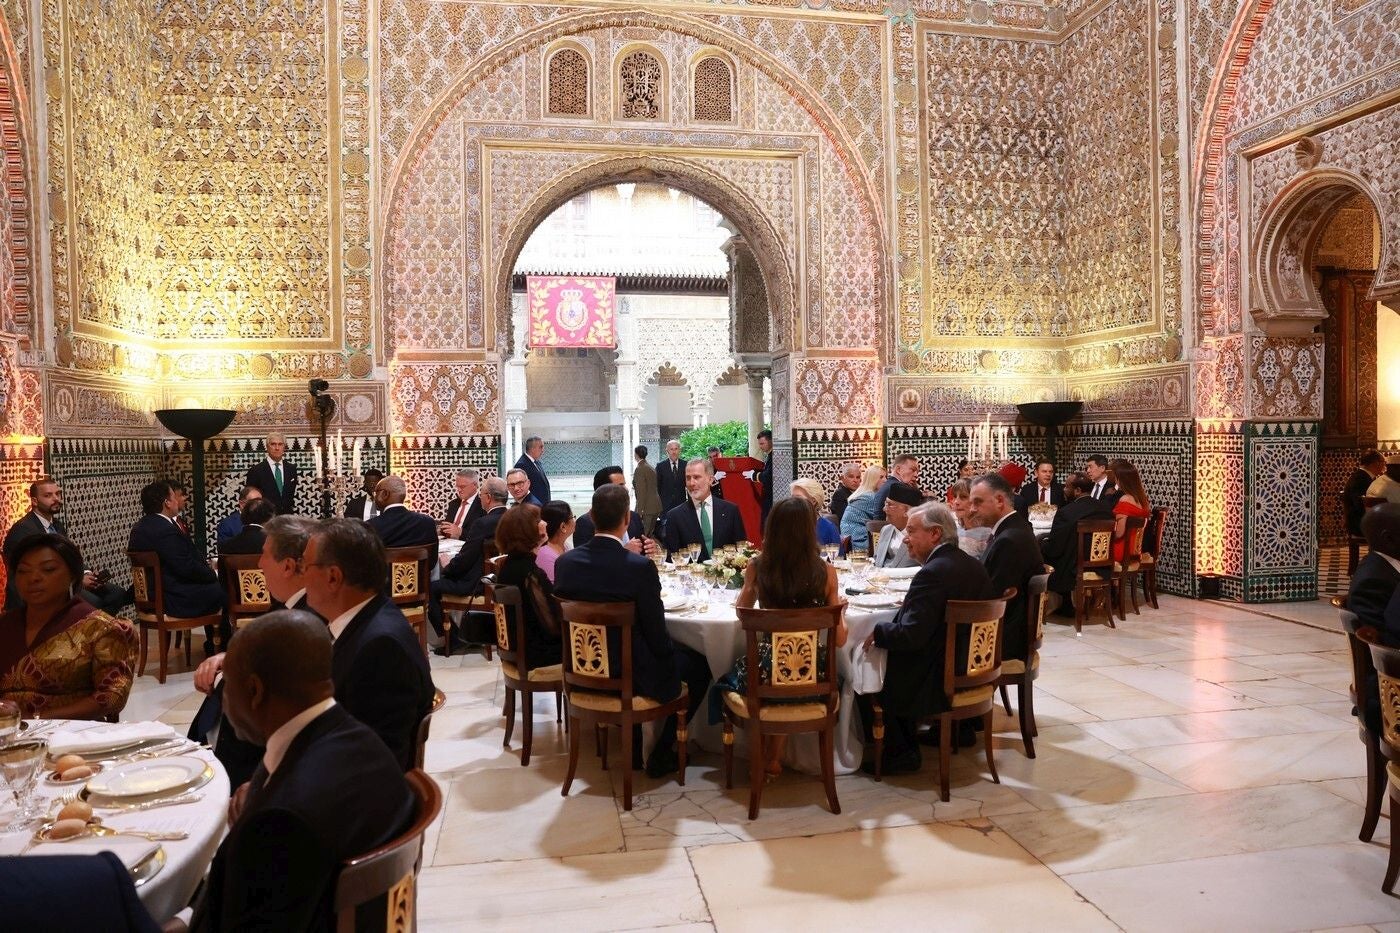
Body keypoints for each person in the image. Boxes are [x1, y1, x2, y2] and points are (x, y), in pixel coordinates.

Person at [188, 610, 415, 932]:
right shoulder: (364, 742)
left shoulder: (279, 820)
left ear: (254, 691)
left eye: (227, 689)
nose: (223, 704)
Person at [554, 483, 712, 778]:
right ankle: (664, 751)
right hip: (632, 676)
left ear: (590, 516)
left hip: (582, 671)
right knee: (699, 665)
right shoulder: (637, 567)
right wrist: (672, 655)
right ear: (627, 519)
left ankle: (641, 740)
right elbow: (656, 634)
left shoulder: (566, 563)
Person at [860, 503, 994, 774]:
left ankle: (900, 752)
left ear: (935, 534)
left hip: (939, 677)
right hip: (973, 667)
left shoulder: (933, 573)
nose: (905, 538)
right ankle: (958, 729)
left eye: (911, 531)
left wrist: (878, 632)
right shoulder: (971, 564)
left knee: (865, 668)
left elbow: (911, 635)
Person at [717, 497, 845, 778]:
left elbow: (743, 614)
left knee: (741, 676)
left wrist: (751, 590)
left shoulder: (758, 567)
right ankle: (772, 758)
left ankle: (762, 755)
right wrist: (841, 612)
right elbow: (839, 641)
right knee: (793, 672)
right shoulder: (826, 572)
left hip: (767, 671)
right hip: (813, 675)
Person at [189, 516, 321, 788]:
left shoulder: (308, 618)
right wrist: (226, 656)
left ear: (286, 566)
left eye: (264, 556)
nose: (259, 565)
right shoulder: (286, 604)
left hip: (249, 768)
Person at [302, 518, 435, 772]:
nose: (301, 574)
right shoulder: (367, 618)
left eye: (305, 565)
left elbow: (374, 764)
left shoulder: (381, 648)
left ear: (333, 577)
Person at [0, 534, 136, 719]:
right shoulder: (6, 625)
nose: (33, 578)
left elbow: (111, 697)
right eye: (23, 571)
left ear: (73, 575)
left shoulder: (102, 628)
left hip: (72, 736)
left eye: (48, 569)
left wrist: (36, 720)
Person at [2, 477, 127, 614]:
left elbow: (69, 556)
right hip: (44, 588)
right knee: (94, 603)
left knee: (117, 594)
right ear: (34, 501)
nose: (56, 499)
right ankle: (83, 632)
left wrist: (86, 573)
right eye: (48, 495)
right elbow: (35, 572)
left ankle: (94, 632)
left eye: (58, 494)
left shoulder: (57, 525)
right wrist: (77, 579)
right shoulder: (24, 530)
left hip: (67, 581)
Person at [129, 480, 225, 654]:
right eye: (174, 496)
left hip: (152, 597)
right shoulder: (164, 529)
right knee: (223, 589)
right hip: (172, 599)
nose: (176, 501)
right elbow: (185, 567)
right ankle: (221, 648)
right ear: (166, 502)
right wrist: (212, 574)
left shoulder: (139, 527)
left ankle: (216, 646)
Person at [969, 472, 1044, 661]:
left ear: (999, 501)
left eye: (977, 502)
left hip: (1004, 641)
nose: (972, 509)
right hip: (1006, 631)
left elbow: (993, 598)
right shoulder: (1013, 529)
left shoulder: (1009, 540)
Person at [431, 476, 509, 648]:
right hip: (503, 580)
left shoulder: (482, 523)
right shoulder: (512, 518)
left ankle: (454, 640)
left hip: (478, 584)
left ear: (488, 497)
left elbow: (465, 559)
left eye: (481, 494)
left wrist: (447, 567)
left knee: (431, 588)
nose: (480, 497)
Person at [1348, 503, 1400, 736]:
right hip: (1388, 695)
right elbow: (1388, 645)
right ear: (1389, 538)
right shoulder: (1373, 579)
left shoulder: (1385, 570)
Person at [494, 504, 563, 668]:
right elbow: (552, 625)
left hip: (514, 650)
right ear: (530, 531)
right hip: (536, 655)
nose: (544, 523)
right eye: (539, 520)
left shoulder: (506, 566)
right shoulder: (530, 573)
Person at [1042, 472, 1115, 604]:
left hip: (1073, 568)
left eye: (1066, 487)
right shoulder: (1106, 509)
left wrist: (1040, 545)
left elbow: (1055, 548)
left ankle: (1060, 603)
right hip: (1103, 567)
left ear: (1077, 491)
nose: (1064, 489)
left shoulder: (1066, 513)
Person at [661, 458, 744, 561]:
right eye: (688, 478)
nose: (691, 483)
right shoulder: (674, 516)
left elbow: (741, 552)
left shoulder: (730, 511)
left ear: (710, 480)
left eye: (696, 477)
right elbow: (672, 557)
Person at [366, 475, 439, 565]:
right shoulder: (427, 522)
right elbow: (432, 561)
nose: (374, 497)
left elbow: (367, 564)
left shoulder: (370, 527)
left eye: (376, 493)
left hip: (383, 578)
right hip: (417, 577)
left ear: (385, 494)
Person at [573, 466, 648, 548]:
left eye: (624, 484)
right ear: (604, 491)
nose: (626, 489)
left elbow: (642, 551)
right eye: (620, 485)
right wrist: (624, 552)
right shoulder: (585, 523)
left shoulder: (634, 517)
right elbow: (583, 558)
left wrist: (650, 549)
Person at [1107, 458, 1151, 563]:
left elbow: (1119, 534)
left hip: (1121, 551)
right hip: (1135, 550)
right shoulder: (1143, 501)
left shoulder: (1125, 499)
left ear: (1120, 480)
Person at [244, 432, 298, 515]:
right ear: (267, 447)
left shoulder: (291, 469)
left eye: (280, 444)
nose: (277, 448)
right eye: (273, 444)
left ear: (284, 447)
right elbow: (251, 499)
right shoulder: (256, 470)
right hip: (265, 517)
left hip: (286, 518)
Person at [873, 481, 923, 569]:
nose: (884, 509)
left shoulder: (921, 535)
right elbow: (876, 561)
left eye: (889, 505)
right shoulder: (886, 530)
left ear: (907, 511)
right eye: (885, 504)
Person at [839, 464, 887, 553]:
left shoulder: (864, 493)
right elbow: (884, 518)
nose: (885, 480)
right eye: (881, 477)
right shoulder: (869, 497)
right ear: (873, 479)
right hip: (858, 541)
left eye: (885, 477)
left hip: (853, 538)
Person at [789, 477, 841, 547]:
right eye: (792, 498)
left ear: (813, 501)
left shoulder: (829, 528)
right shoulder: (787, 525)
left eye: (798, 498)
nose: (792, 502)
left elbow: (838, 557)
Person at [947, 479, 990, 558]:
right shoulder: (956, 530)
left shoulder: (986, 534)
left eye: (963, 497)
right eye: (955, 496)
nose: (956, 502)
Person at [872, 454, 921, 521]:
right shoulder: (898, 488)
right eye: (913, 470)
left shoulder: (888, 485)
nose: (916, 475)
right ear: (898, 469)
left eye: (917, 472)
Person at [536, 500, 574, 584]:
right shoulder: (544, 554)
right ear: (563, 527)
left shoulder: (566, 545)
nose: (574, 520)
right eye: (572, 517)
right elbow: (553, 589)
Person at [438, 469, 482, 540]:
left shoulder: (482, 506)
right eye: (457, 486)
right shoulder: (453, 504)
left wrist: (461, 532)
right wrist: (440, 531)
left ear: (475, 485)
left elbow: (481, 535)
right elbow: (447, 528)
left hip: (468, 546)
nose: (458, 490)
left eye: (462, 487)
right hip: (448, 544)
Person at [633, 445, 662, 535]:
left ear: (636, 454)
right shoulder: (650, 467)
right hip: (656, 506)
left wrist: (639, 511)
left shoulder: (640, 469)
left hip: (646, 508)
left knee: (642, 536)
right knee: (649, 534)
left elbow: (641, 492)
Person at [513, 435, 551, 504]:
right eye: (541, 447)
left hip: (543, 506)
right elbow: (521, 491)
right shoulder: (521, 465)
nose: (543, 450)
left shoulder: (537, 462)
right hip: (532, 508)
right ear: (532, 448)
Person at [656, 439, 688, 516]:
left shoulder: (686, 465)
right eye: (671, 449)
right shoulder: (660, 466)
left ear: (679, 450)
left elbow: (689, 484)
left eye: (676, 449)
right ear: (667, 451)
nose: (674, 452)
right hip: (665, 505)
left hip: (681, 504)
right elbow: (657, 487)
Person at [756, 429, 774, 525]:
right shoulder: (770, 455)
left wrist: (754, 476)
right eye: (759, 444)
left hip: (771, 497)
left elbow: (767, 476)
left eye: (762, 443)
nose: (760, 447)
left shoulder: (773, 455)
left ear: (770, 441)